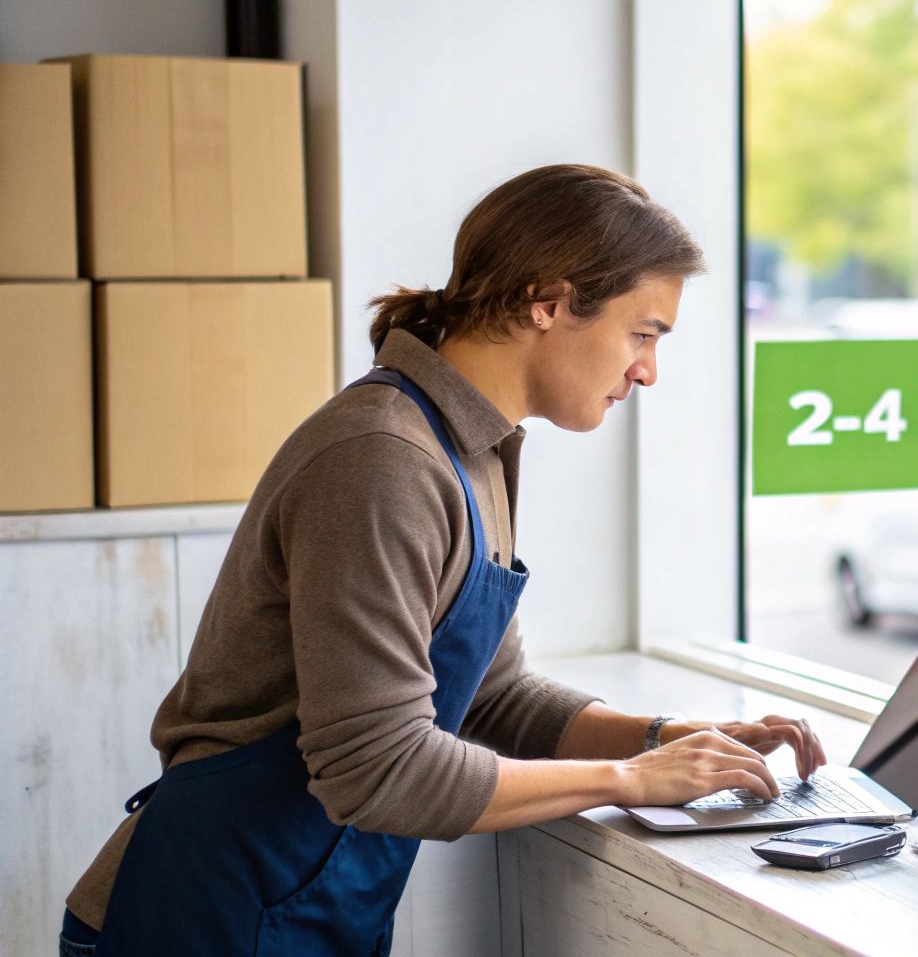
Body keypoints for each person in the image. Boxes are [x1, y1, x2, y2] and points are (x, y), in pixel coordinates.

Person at [61, 164, 824, 956]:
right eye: (643, 333)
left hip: (306, 916)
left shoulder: (473, 451)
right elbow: (378, 769)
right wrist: (631, 782)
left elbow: (494, 695)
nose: (647, 371)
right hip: (198, 920)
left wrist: (665, 738)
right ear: (549, 302)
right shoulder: (382, 458)